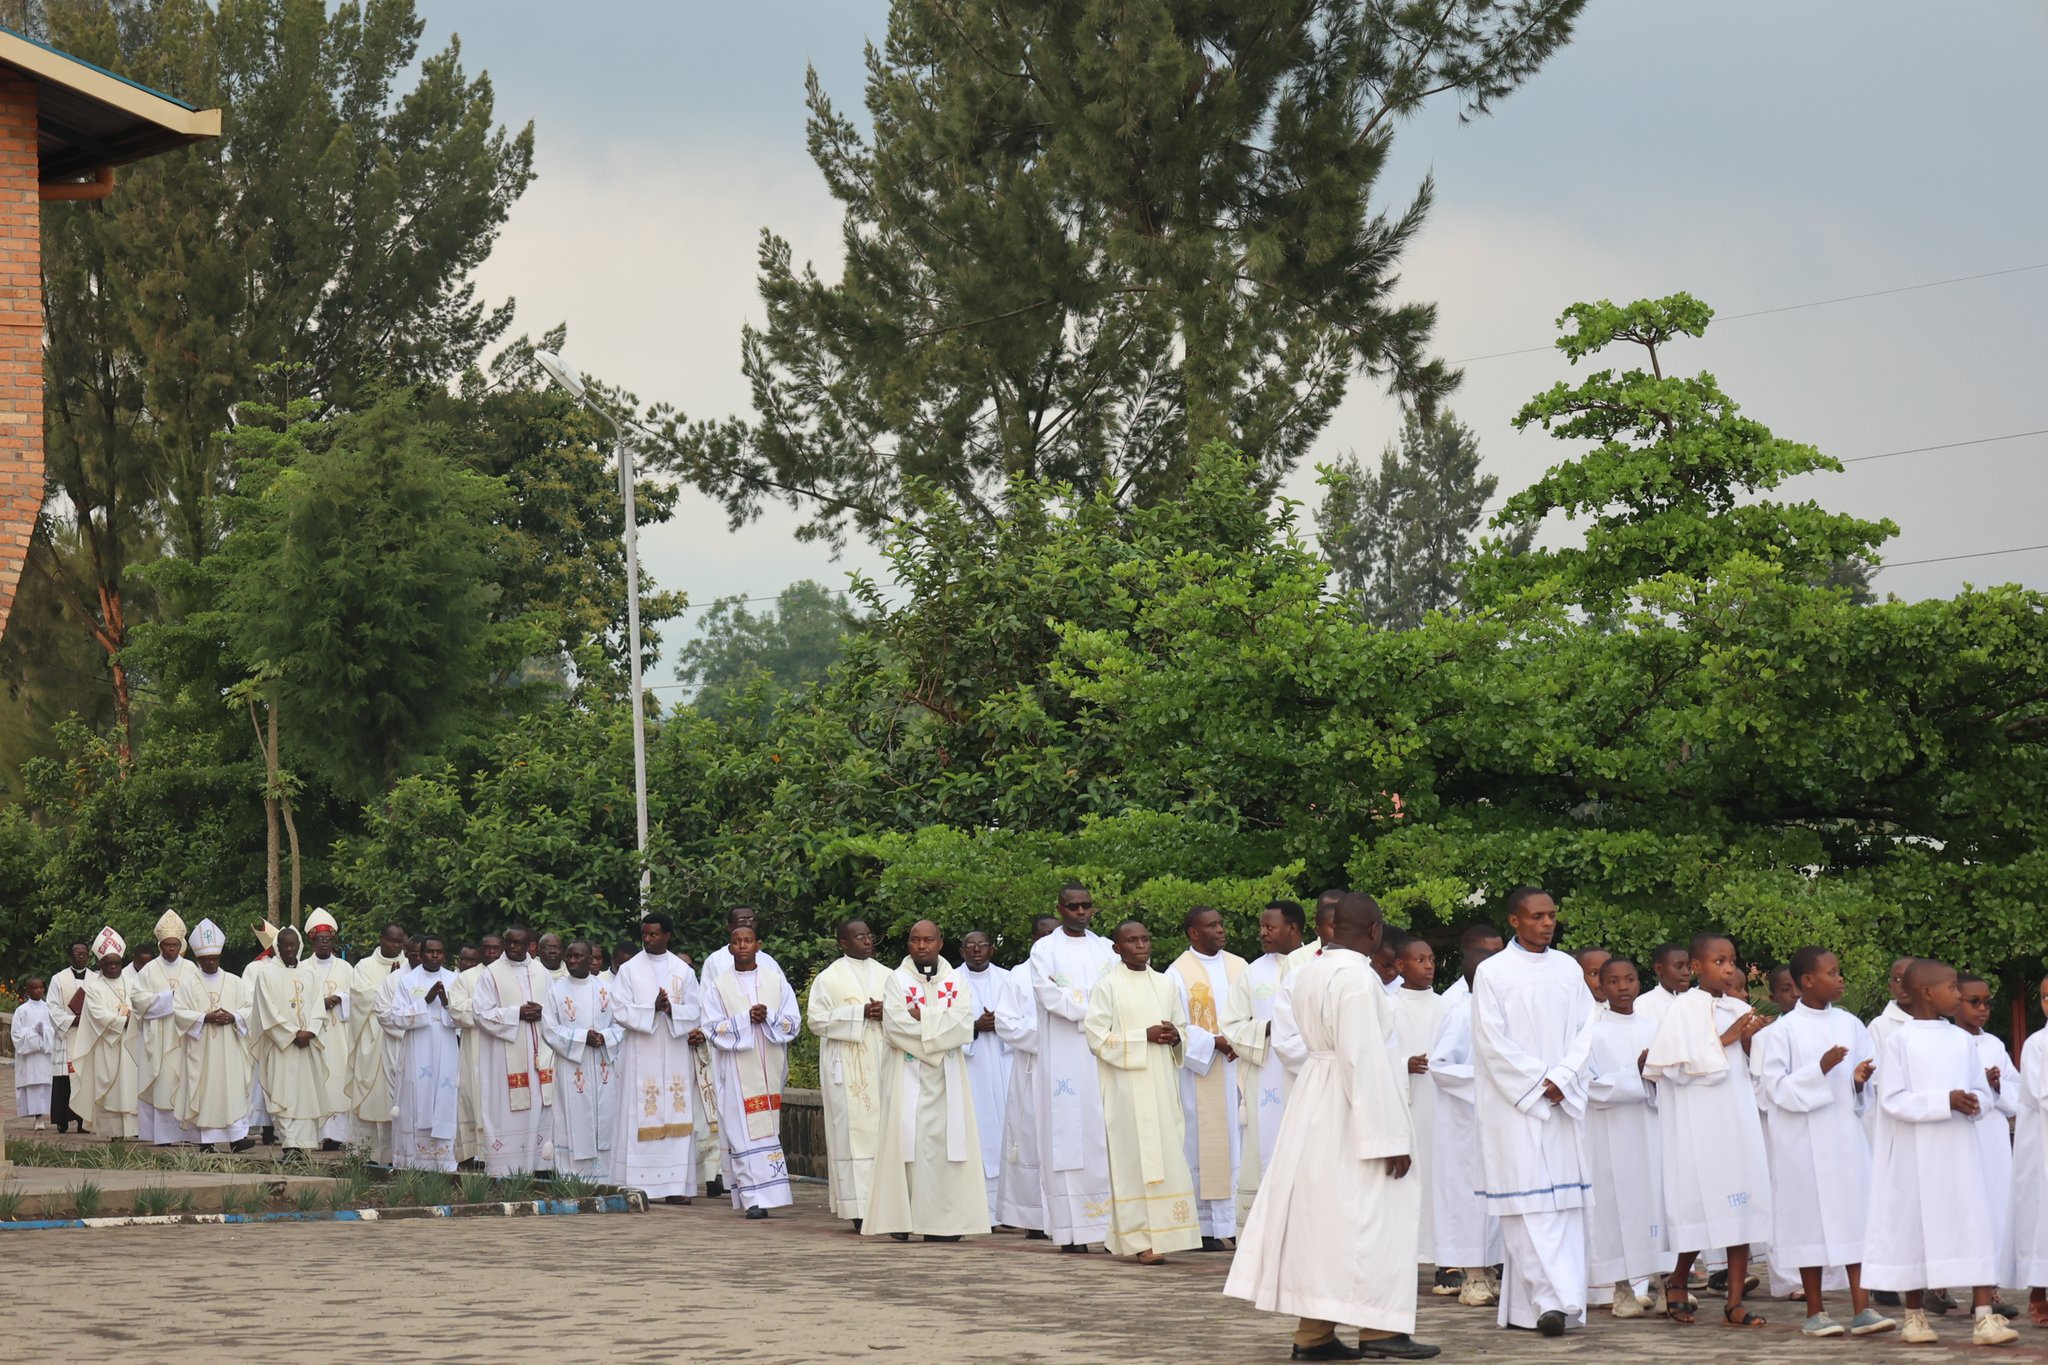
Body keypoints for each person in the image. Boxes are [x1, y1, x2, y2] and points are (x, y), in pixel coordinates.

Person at [1225, 891, 1442, 1362]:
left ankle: (1314, 1336)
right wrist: (1388, 1138)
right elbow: (1363, 1059)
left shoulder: (1308, 971)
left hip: (1316, 1099)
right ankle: (1378, 1330)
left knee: (1328, 1224)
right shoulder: (1357, 980)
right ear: (1374, 931)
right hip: (1353, 1103)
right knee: (1373, 1216)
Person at [1862, 959, 2017, 1346]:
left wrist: (1974, 1101)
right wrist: (1943, 1101)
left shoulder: (1963, 1040)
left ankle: (1984, 1316)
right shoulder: (1900, 1041)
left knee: (1972, 1222)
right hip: (1916, 1154)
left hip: (1960, 1151)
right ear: (1927, 993)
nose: (1958, 994)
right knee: (1915, 1228)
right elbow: (1893, 1100)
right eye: (1951, 988)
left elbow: (1980, 1091)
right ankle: (1914, 1315)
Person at [1472, 887, 1598, 1337]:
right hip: (1516, 1106)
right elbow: (1490, 1041)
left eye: (1551, 915)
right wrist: (1537, 1082)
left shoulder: (1567, 968)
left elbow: (1588, 1026)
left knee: (1561, 1207)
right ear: (1514, 921)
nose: (1547, 923)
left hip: (1561, 1101)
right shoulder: (1492, 972)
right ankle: (1548, 1302)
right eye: (1537, 916)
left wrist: (1564, 1078)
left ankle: (1553, 1304)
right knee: (1525, 1208)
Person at [1751, 945, 1892, 1337]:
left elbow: (1865, 1078)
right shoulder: (1783, 1032)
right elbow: (1774, 1090)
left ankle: (1862, 1308)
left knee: (1853, 1217)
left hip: (1844, 1139)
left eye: (1839, 971)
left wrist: (1857, 1078)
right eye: (1832, 972)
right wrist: (1820, 1068)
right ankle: (1815, 1311)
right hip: (1801, 1144)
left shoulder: (1851, 1024)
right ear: (1807, 981)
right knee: (1807, 1222)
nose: (1840, 978)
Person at [1644, 933, 1773, 1329]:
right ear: (1697, 967)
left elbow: (1757, 1069)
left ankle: (1734, 1302)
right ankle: (1679, 1278)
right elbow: (1674, 1068)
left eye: (1732, 960)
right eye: (1719, 961)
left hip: (1737, 1117)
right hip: (1699, 1122)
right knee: (1702, 1206)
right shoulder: (1684, 1008)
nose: (1729, 968)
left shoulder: (1738, 1006)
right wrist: (1730, 1037)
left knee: (1742, 1207)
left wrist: (1752, 1042)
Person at [865, 920, 989, 1241]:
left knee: (947, 1150)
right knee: (910, 1146)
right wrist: (937, 1030)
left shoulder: (956, 980)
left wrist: (924, 1017)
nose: (922, 946)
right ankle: (904, 1220)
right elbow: (894, 1028)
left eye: (928, 940)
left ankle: (944, 1224)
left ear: (940, 942)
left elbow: (964, 1025)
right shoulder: (896, 980)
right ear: (908, 944)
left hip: (948, 1079)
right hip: (907, 1076)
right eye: (915, 940)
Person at [1086, 919, 1199, 1265]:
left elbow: (1182, 1025)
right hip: (1126, 1091)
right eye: (1131, 941)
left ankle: (1165, 1234)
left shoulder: (1165, 984)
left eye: (1145, 939)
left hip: (1161, 1085)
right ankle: (1140, 1240)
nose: (1140, 945)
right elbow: (1096, 1038)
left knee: (1166, 1156)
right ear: (1116, 948)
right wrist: (1142, 1037)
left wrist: (1174, 1036)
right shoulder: (1107, 987)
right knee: (1132, 1161)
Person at [1027, 882, 1119, 1252]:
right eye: (1073, 906)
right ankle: (1070, 1231)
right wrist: (1092, 1009)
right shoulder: (1044, 948)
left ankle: (1109, 1228)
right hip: (1062, 1055)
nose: (1081, 912)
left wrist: (1083, 1005)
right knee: (1065, 1137)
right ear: (1060, 908)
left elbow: (1114, 991)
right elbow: (1047, 994)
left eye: (1086, 906)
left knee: (1102, 1136)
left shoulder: (1105, 949)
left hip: (1100, 1054)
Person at [1582, 957, 1664, 1321]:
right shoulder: (1593, 1035)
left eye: (1630, 979)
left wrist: (1655, 1076)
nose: (1623, 987)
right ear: (1601, 987)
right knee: (1617, 1209)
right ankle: (1622, 1288)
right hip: (1612, 1135)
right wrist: (1636, 1074)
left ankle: (1664, 1284)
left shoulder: (1654, 1028)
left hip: (1653, 1130)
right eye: (1613, 981)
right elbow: (1591, 1088)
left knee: (1656, 1203)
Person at [1429, 924, 1505, 1307]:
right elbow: (1440, 1066)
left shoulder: (1500, 1012)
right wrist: (1484, 1082)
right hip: (1464, 1122)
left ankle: (1490, 1269)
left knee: (1495, 1193)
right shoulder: (1461, 1013)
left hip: (1496, 1120)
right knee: (1468, 1197)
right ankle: (1471, 1274)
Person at [703, 921, 801, 1217]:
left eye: (748, 941)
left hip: (769, 1067)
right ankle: (751, 1198)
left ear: (758, 945)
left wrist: (768, 1017)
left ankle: (771, 1194)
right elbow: (711, 1026)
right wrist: (746, 1019)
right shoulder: (718, 986)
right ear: (730, 947)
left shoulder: (775, 981)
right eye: (737, 941)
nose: (743, 945)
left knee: (767, 1129)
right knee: (741, 1130)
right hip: (735, 1069)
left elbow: (793, 1020)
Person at [806, 916, 893, 1229]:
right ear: (844, 943)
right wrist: (860, 1013)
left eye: (869, 936)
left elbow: (906, 1012)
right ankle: (857, 1209)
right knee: (852, 1135)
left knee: (885, 1132)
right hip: (846, 1067)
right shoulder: (829, 978)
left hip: (882, 1063)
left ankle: (889, 1205)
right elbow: (816, 1020)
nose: (867, 941)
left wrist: (887, 1013)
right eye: (859, 937)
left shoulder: (889, 975)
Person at [1223, 900, 1306, 1225]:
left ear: (1293, 929)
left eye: (1270, 927)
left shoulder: (1314, 964)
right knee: (1266, 1149)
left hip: (1307, 1073)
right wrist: (1268, 1028)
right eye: (1262, 926)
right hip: (1267, 1074)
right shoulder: (1253, 971)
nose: (1262, 932)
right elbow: (1231, 1025)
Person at [1169, 904, 1246, 1249]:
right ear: (1193, 933)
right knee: (1203, 1144)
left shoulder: (1239, 966)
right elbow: (1176, 1026)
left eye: (1221, 923)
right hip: (1204, 1073)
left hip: (1240, 1068)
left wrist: (1241, 1039)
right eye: (1211, 925)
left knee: (1240, 1140)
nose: (1220, 930)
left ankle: (1235, 1221)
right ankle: (1205, 1227)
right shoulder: (1177, 973)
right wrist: (1214, 1041)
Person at [610, 913, 703, 1201]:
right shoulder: (629, 970)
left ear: (667, 936)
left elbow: (697, 1008)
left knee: (677, 1112)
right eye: (645, 935)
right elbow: (619, 1009)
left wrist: (672, 1009)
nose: (647, 939)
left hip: (674, 1051)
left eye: (653, 934)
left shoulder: (682, 970)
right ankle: (640, 1186)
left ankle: (676, 1188)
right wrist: (651, 1009)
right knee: (640, 1111)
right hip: (641, 1050)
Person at [1386, 931, 1449, 1284]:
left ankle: (1445, 1258)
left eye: (1431, 960)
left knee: (1441, 1178)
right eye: (1420, 960)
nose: (1429, 966)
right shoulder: (1389, 1006)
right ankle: (1402, 1257)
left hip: (1440, 1105)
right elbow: (1375, 1054)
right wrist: (1402, 1064)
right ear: (1400, 965)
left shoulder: (1446, 1006)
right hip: (1408, 1103)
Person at [1954, 973, 2019, 1300]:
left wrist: (1995, 1086)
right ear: (1955, 1002)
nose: (1983, 1009)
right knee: (1955, 1207)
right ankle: (1937, 1285)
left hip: (1991, 1138)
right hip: (1957, 1135)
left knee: (1993, 1208)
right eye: (1974, 1002)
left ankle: (1989, 1291)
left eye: (1987, 1002)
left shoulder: (1994, 1045)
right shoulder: (1947, 1041)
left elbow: (2016, 1093)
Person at [474, 926, 558, 1175]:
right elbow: (480, 1014)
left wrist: (543, 1012)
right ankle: (505, 1169)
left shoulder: (542, 972)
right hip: (505, 1056)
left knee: (541, 1108)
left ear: (530, 945)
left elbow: (555, 1008)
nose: (512, 947)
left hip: (540, 1054)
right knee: (506, 1108)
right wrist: (516, 1014)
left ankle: (542, 1166)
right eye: (508, 942)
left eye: (518, 943)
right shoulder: (491, 974)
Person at [994, 914, 1056, 1235]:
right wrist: (1046, 1038)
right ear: (1033, 938)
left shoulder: (1071, 972)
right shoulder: (1018, 975)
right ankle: (1032, 1217)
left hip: (1071, 1071)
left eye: (1054, 934)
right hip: (1032, 1068)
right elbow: (1005, 1022)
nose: (1049, 940)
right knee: (1030, 1137)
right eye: (1043, 935)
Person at [250, 927, 333, 1160]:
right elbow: (266, 1009)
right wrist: (291, 1034)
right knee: (284, 1094)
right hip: (283, 1046)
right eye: (285, 946)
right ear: (277, 947)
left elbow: (318, 1007)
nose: (289, 950)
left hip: (307, 1045)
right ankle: (290, 1146)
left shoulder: (311, 974)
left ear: (299, 947)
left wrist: (311, 1032)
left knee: (306, 1095)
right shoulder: (266, 974)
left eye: (293, 945)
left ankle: (304, 1147)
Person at [381, 934, 462, 1171]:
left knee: (445, 1095)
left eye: (439, 952)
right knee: (417, 1095)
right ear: (421, 954)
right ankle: (412, 1161)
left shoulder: (454, 979)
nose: (434, 956)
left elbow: (464, 1017)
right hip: (418, 1045)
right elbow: (396, 1017)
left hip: (447, 1045)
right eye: (430, 952)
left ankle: (443, 1162)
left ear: (444, 954)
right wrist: (424, 1002)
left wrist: (447, 1003)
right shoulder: (408, 981)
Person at [543, 939, 622, 1180]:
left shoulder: (606, 990)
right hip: (572, 1066)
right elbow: (549, 1029)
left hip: (602, 1064)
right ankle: (571, 1176)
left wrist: (605, 1037)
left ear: (591, 959)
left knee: (606, 1115)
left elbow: (620, 1024)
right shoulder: (556, 990)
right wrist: (581, 1037)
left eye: (578, 956)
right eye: (570, 956)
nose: (572, 961)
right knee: (572, 1116)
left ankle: (606, 1176)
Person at [176, 919, 254, 1151]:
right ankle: (205, 1141)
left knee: (233, 1090)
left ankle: (237, 1138)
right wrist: (205, 1018)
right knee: (205, 1092)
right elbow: (178, 1012)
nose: (210, 962)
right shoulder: (188, 985)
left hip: (230, 1047)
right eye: (206, 959)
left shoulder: (235, 982)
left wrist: (234, 1017)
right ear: (198, 960)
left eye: (214, 958)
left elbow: (251, 1008)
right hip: (202, 1051)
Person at [958, 929, 1013, 1226]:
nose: (976, 950)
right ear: (962, 951)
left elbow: (1023, 1018)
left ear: (992, 949)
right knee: (977, 1132)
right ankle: (982, 1211)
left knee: (1008, 1130)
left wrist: (1000, 1024)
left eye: (982, 946)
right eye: (970, 946)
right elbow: (945, 1022)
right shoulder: (950, 983)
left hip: (1005, 1063)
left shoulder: (1008, 979)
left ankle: (1008, 1211)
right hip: (971, 1066)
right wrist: (975, 1026)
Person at [131, 909, 199, 1145]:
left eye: (175, 945)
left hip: (183, 1036)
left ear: (181, 944)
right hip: (158, 1036)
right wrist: (169, 998)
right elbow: (138, 1000)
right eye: (167, 945)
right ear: (160, 945)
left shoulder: (191, 968)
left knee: (185, 1082)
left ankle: (187, 1133)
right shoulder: (149, 969)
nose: (171, 949)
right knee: (163, 1083)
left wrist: (181, 1003)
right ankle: (163, 1136)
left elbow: (197, 997)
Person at [347, 921, 409, 1162]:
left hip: (398, 1039)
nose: (396, 945)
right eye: (391, 940)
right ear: (381, 939)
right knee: (372, 1098)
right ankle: (368, 1155)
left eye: (399, 941)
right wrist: (389, 984)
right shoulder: (365, 966)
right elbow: (359, 997)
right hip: (372, 1040)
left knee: (399, 1099)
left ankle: (398, 1154)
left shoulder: (409, 965)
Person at [71, 926, 139, 1139]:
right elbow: (98, 1015)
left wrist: (132, 1019)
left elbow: (140, 1007)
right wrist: (124, 1020)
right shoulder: (95, 989)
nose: (112, 967)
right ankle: (113, 1134)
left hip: (129, 1046)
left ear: (121, 962)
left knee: (131, 1086)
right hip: (107, 1046)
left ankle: (134, 1131)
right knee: (111, 1090)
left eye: (116, 963)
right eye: (107, 963)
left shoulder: (132, 983)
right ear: (100, 964)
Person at [301, 909, 355, 1149]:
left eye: (329, 939)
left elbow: (358, 997)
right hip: (314, 1035)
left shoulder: (346, 968)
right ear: (312, 941)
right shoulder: (302, 968)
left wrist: (341, 998)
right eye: (319, 939)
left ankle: (337, 1136)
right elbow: (296, 1000)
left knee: (338, 1080)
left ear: (334, 941)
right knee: (316, 1081)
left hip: (340, 1035)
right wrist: (319, 1004)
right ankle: (315, 1134)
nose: (324, 943)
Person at [2013, 972, 2048, 1329]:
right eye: (2044, 997)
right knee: (2043, 1216)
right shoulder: (2038, 1044)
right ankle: (2039, 1292)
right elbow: (2043, 1094)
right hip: (2043, 1141)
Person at [450, 932, 503, 1166]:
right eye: (487, 948)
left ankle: (501, 1154)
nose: (492, 953)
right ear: (481, 950)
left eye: (496, 948)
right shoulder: (467, 977)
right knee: (474, 1096)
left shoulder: (507, 974)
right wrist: (491, 1013)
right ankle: (474, 1155)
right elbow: (457, 1010)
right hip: (475, 1049)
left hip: (503, 1047)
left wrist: (492, 1013)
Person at [49, 939, 92, 1133]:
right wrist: (72, 1020)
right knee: (65, 1080)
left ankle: (84, 1121)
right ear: (70, 956)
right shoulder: (58, 979)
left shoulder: (96, 979)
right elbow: (52, 1008)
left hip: (87, 1036)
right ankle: (62, 1119)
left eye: (83, 954)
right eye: (76, 954)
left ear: (88, 956)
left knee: (85, 1078)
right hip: (67, 1036)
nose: (80, 957)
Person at [10, 976, 55, 1129]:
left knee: (46, 1085)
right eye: (34, 988)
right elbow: (16, 1034)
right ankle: (38, 1118)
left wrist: (46, 1033)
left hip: (45, 1055)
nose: (38, 990)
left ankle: (47, 1115)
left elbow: (55, 1030)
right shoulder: (21, 1011)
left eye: (40, 987)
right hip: (30, 1057)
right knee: (34, 1087)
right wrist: (34, 1033)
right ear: (28, 991)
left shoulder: (49, 1008)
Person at [1635, 943, 1690, 1033]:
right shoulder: (1643, 1004)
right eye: (1679, 966)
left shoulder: (1694, 1001)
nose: (1687, 972)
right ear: (1659, 969)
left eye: (1689, 967)